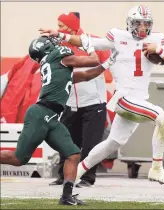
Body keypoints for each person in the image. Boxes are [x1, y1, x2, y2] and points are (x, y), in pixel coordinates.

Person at [39, 5, 164, 184]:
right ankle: (156, 168)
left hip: (139, 100)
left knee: (112, 143)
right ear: (130, 23)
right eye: (138, 23)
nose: (143, 27)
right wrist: (59, 34)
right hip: (123, 98)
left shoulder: (157, 39)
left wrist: (159, 50)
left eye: (146, 24)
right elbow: (86, 41)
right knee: (162, 118)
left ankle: (77, 173)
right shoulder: (118, 37)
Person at [0, 35, 117, 205]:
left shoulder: (57, 66)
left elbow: (86, 76)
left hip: (52, 117)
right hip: (40, 114)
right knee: (19, 159)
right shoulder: (59, 58)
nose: (57, 44)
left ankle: (66, 196)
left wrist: (108, 64)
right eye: (51, 43)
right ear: (47, 48)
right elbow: (92, 60)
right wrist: (89, 46)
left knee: (73, 154)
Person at [49, 12, 110, 187]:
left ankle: (87, 178)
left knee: (91, 144)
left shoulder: (93, 42)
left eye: (61, 26)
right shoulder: (59, 44)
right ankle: (64, 176)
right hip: (69, 102)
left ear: (71, 27)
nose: (58, 29)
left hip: (93, 103)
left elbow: (105, 63)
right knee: (66, 142)